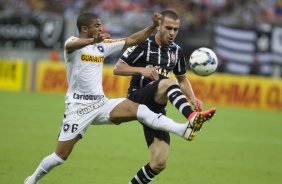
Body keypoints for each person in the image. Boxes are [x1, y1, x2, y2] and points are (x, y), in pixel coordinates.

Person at [24, 12, 212, 184]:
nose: (101, 29)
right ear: (84, 29)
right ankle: (31, 180)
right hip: (78, 107)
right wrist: (92, 41)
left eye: (101, 25)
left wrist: (151, 26)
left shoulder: (102, 46)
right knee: (60, 156)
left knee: (140, 114)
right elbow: (71, 45)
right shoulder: (72, 46)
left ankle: (183, 129)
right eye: (97, 25)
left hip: (100, 103)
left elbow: (131, 39)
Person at [114, 9, 216, 184]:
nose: (172, 33)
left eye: (175, 29)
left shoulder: (176, 51)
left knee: (159, 162)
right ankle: (191, 118)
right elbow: (118, 68)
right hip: (137, 99)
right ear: (158, 26)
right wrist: (141, 70)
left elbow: (183, 80)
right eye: (168, 28)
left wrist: (192, 98)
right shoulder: (142, 44)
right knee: (169, 82)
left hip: (156, 108)